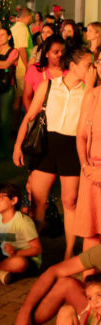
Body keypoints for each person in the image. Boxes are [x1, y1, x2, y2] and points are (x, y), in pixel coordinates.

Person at [14, 47, 92, 260]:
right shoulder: (49, 86)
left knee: (70, 201)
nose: (91, 69)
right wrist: (17, 145)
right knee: (38, 200)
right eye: (88, 65)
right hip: (47, 146)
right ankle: (36, 251)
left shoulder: (89, 91)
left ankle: (68, 251)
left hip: (72, 148)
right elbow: (29, 116)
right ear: (74, 66)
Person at [76, 72, 101, 250]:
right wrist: (85, 165)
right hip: (91, 170)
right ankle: (89, 276)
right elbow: (81, 135)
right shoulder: (92, 94)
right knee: (91, 230)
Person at [0, 27, 19, 156]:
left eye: (2, 35)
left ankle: (3, 148)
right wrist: (0, 63)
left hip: (7, 87)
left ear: (9, 37)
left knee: (5, 119)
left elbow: (6, 65)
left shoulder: (14, 51)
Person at [23, 36, 65, 112]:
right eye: (56, 52)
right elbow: (26, 97)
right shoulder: (35, 70)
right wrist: (32, 119)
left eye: (63, 52)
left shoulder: (69, 71)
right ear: (46, 54)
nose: (60, 55)